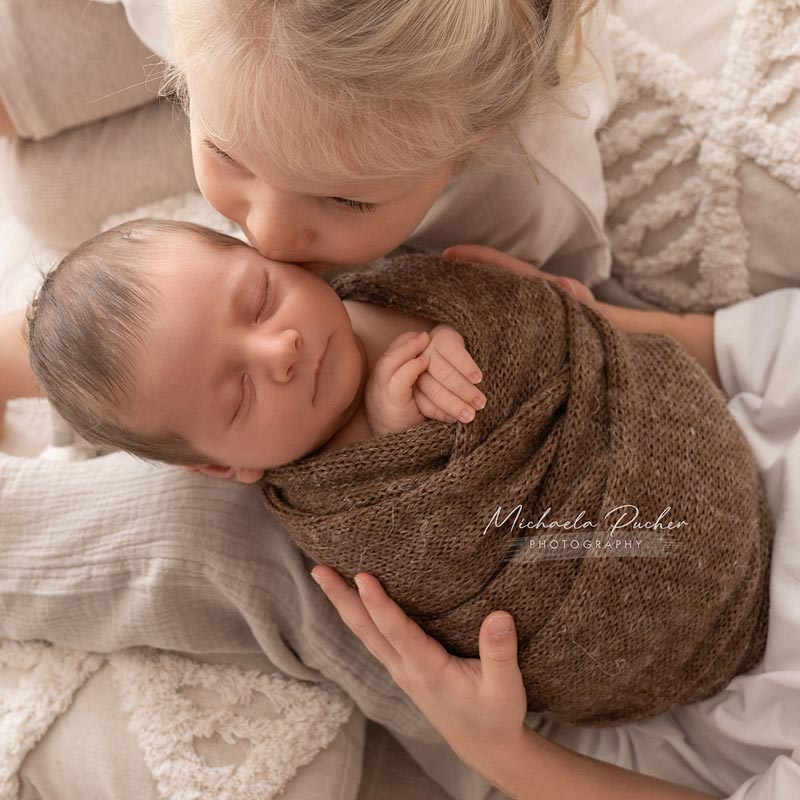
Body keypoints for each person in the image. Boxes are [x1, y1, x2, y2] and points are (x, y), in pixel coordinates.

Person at [0, 0, 617, 422]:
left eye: (348, 198)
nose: (266, 237)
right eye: (224, 151)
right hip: (229, 49)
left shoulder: (526, 200)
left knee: (41, 198)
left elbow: (555, 329)